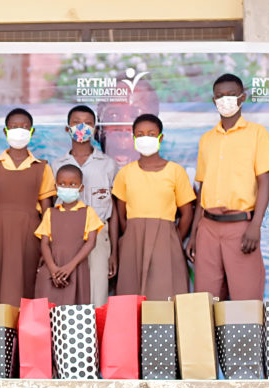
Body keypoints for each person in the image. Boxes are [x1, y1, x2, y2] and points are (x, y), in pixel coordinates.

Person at [186, 73, 269, 300]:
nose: (225, 100)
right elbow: (202, 189)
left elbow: (265, 182)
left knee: (246, 296)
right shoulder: (207, 139)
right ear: (213, 100)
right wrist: (194, 234)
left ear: (242, 97)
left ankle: (245, 328)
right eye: (220, 96)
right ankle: (207, 328)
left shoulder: (257, 134)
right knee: (205, 297)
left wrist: (255, 225)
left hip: (241, 226)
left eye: (231, 95)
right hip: (208, 226)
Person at [0, 108, 56, 307]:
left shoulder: (42, 167)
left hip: (30, 234)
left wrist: (47, 248)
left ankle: (24, 327)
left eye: (24, 127)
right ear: (5, 131)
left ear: (32, 131)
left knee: (26, 284)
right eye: (13, 126)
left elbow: (47, 213)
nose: (19, 130)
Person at [112, 114, 195, 300]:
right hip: (133, 239)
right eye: (140, 134)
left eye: (151, 134)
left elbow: (187, 213)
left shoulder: (175, 171)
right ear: (134, 138)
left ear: (160, 137)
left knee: (164, 291)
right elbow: (121, 214)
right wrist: (131, 234)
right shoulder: (125, 173)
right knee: (131, 291)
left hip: (166, 237)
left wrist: (172, 237)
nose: (145, 138)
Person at [53, 104, 118, 306]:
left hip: (98, 237)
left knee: (97, 294)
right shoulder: (56, 165)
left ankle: (96, 328)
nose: (82, 127)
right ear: (67, 128)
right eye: (76, 123)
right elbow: (49, 209)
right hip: (64, 237)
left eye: (88, 123)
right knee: (67, 292)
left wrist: (114, 252)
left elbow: (114, 210)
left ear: (95, 129)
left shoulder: (108, 164)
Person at [35, 164, 103, 306]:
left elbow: (91, 242)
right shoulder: (50, 213)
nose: (67, 187)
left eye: (72, 184)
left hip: (76, 268)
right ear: (56, 187)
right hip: (51, 269)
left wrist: (70, 267)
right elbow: (44, 243)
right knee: (47, 309)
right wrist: (53, 269)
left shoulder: (88, 212)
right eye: (62, 184)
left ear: (81, 188)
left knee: (74, 308)